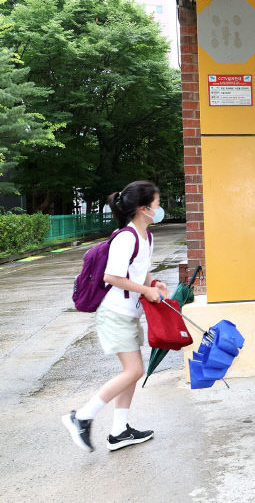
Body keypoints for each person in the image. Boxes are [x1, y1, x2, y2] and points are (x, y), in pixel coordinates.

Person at [62, 180, 170, 452]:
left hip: (129, 314)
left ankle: (120, 430)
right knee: (135, 370)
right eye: (157, 203)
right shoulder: (126, 237)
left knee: (131, 372)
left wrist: (154, 283)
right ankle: (82, 417)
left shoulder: (147, 236)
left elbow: (139, 270)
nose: (160, 208)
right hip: (114, 313)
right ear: (144, 209)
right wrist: (145, 289)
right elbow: (112, 276)